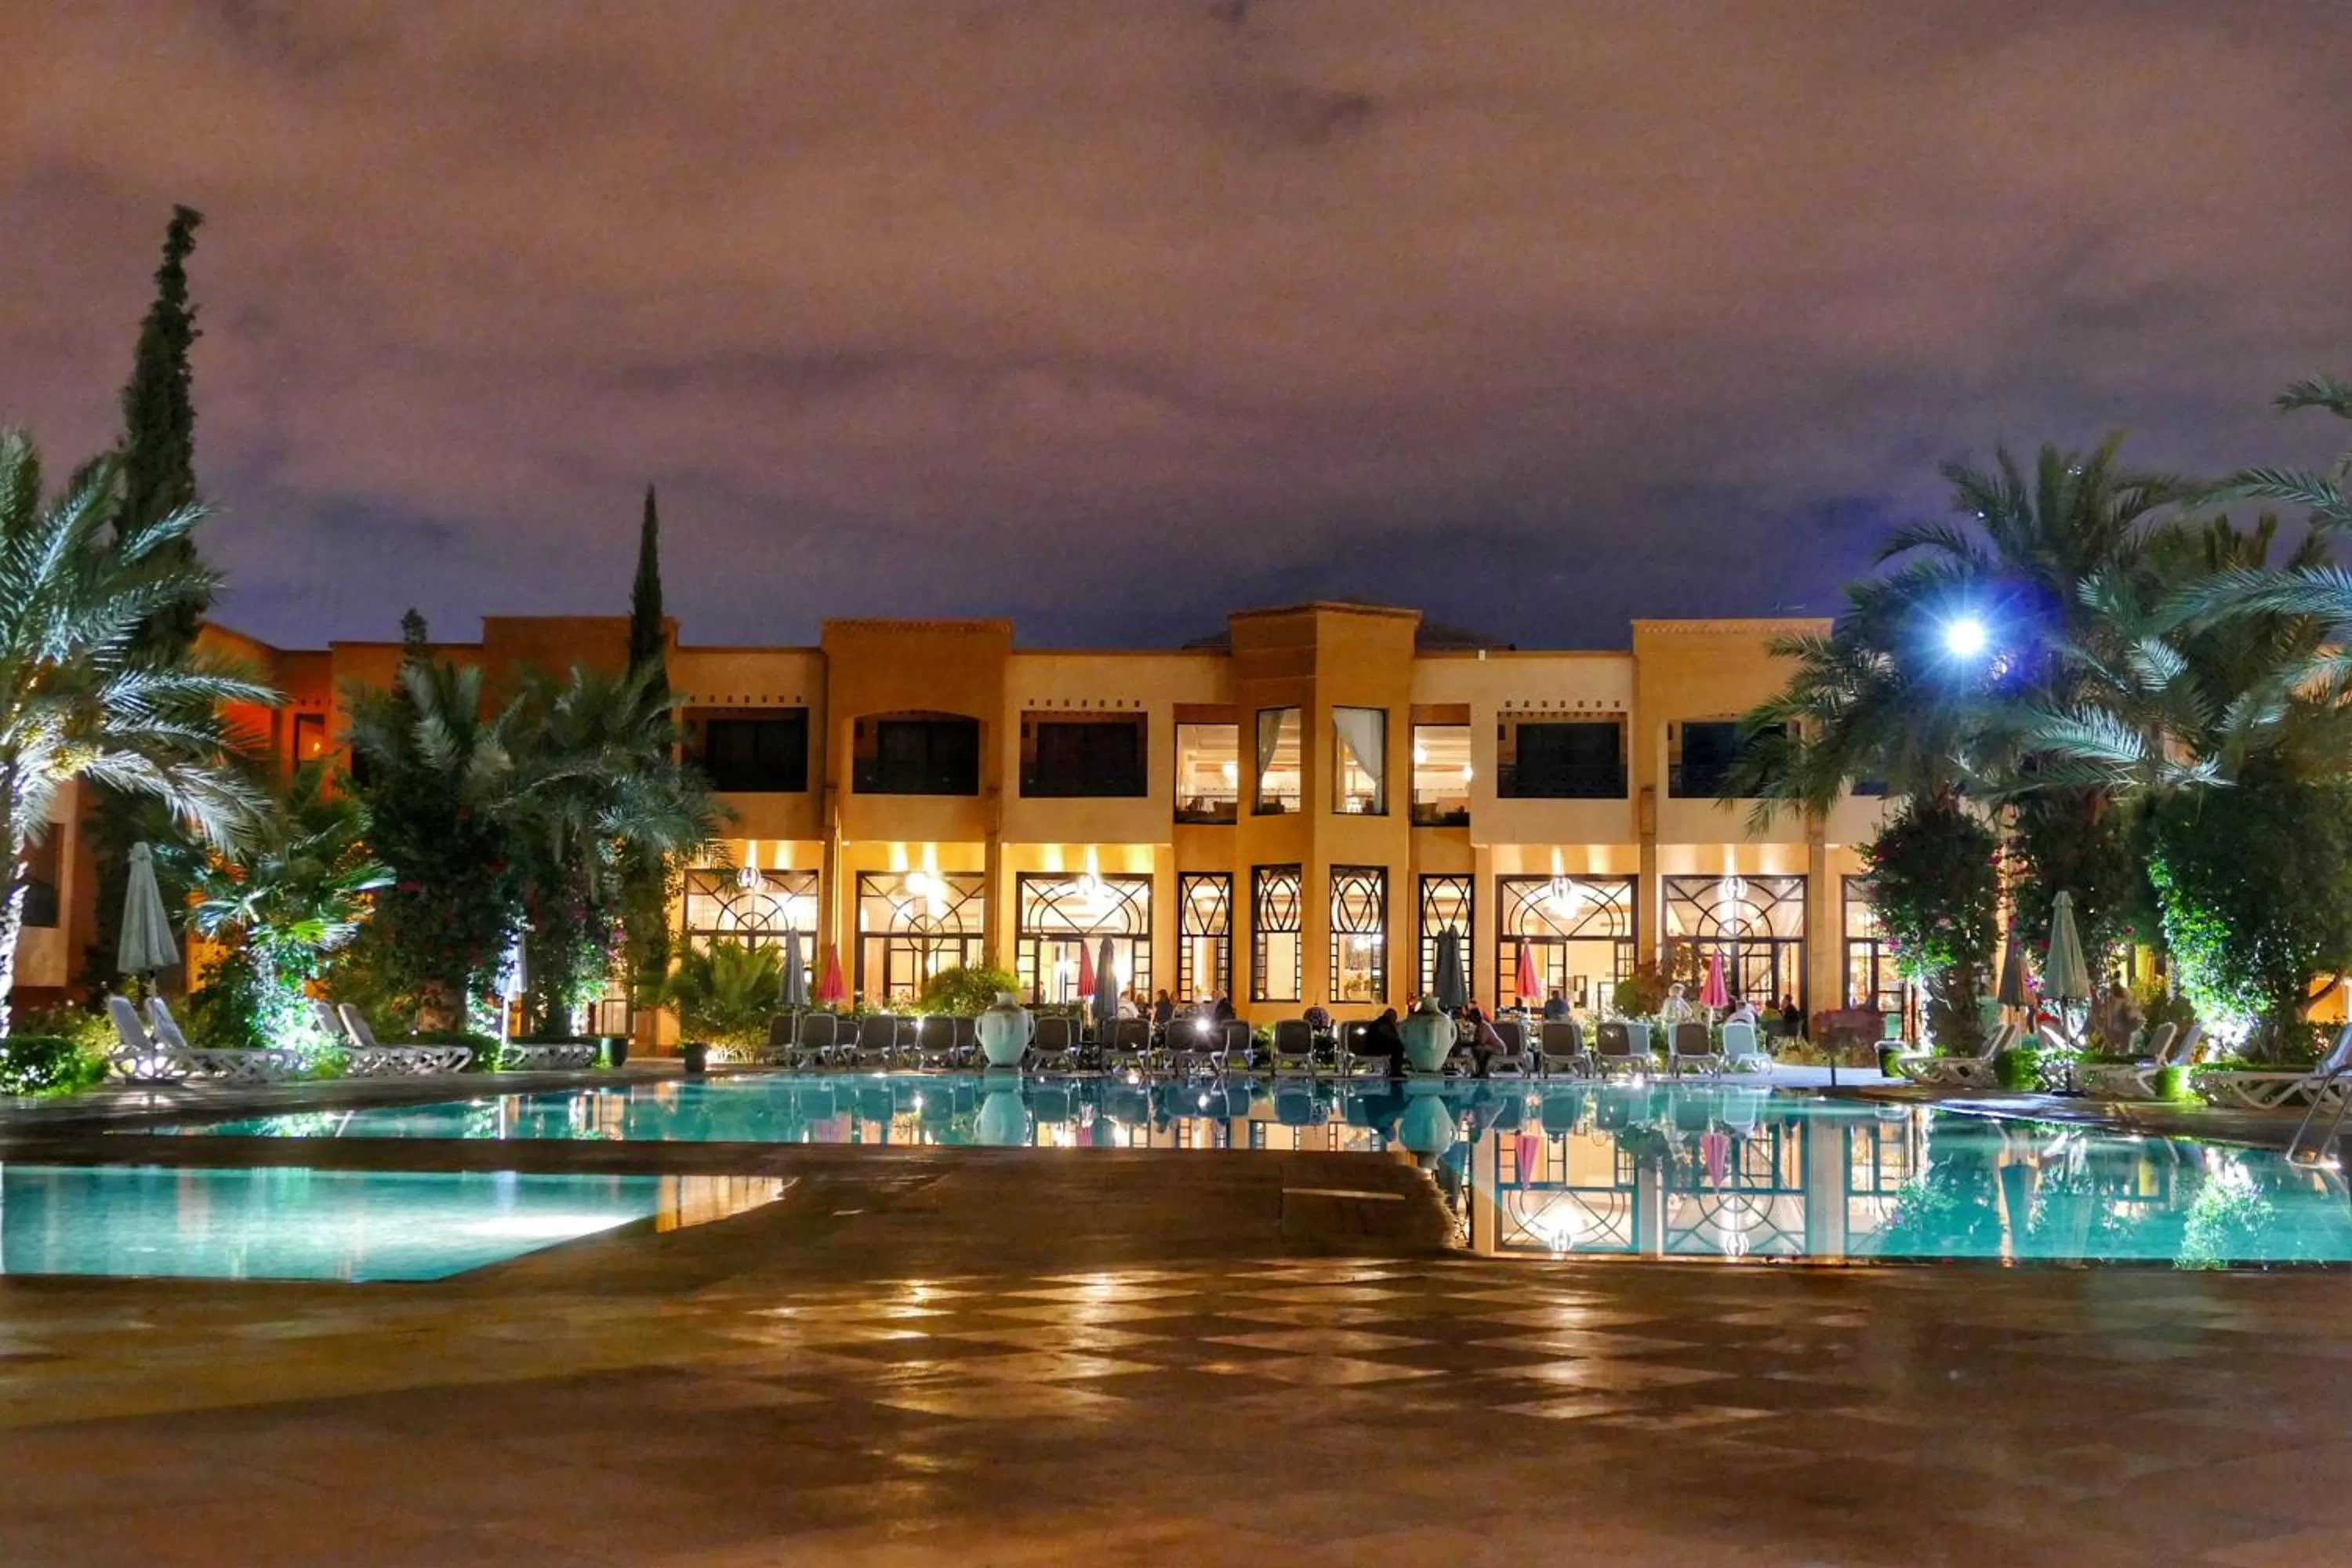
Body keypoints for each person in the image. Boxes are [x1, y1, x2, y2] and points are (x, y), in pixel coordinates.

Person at [1360, 1006, 1406, 1074]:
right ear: (1388, 1015)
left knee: (1398, 1046)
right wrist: (1393, 1026)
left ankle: (1396, 1070)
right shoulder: (1382, 1024)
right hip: (1375, 1049)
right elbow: (1393, 1037)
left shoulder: (1380, 1023)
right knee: (1398, 1046)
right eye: (1394, 1016)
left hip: (1376, 1048)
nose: (1395, 1019)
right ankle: (1396, 1071)